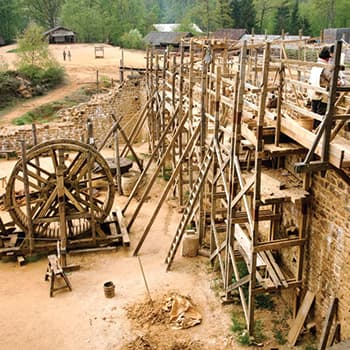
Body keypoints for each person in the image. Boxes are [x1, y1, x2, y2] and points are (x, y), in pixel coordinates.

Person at [309, 46, 332, 118]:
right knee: (321, 115)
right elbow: (333, 79)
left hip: (313, 93)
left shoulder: (315, 66)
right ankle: (318, 128)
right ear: (327, 58)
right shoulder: (325, 68)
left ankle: (314, 128)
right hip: (322, 96)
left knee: (314, 113)